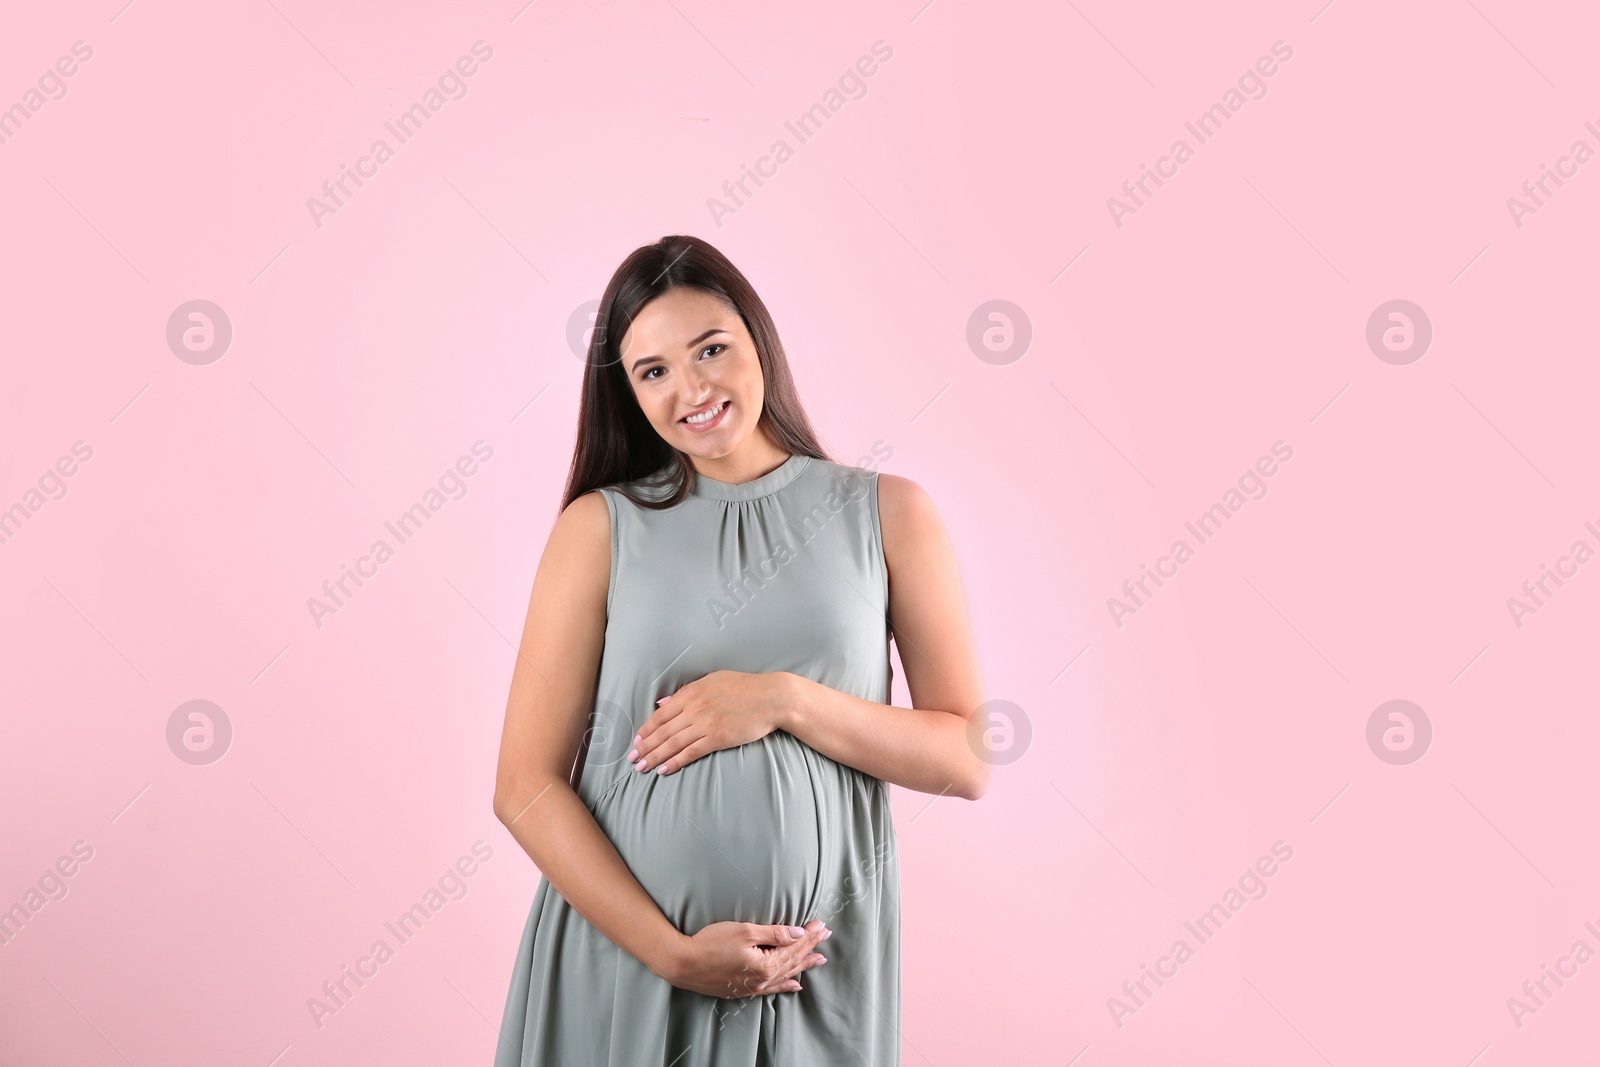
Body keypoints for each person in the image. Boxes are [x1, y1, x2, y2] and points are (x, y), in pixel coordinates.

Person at [491, 234, 988, 1066]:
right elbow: (523, 786)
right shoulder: (600, 529)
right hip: (624, 966)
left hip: (813, 976)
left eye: (710, 349)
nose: (691, 389)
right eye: (653, 371)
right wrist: (671, 951)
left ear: (758, 339)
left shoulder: (889, 514)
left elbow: (967, 756)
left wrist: (784, 699)